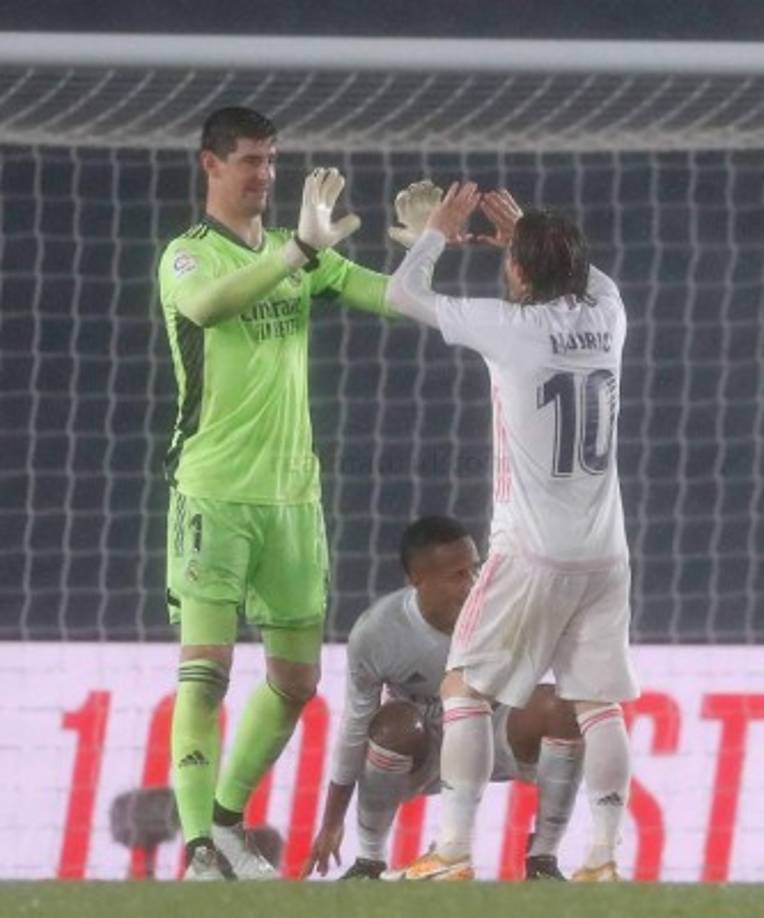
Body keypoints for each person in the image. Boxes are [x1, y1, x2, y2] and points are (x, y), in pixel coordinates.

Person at [157, 106, 395, 880]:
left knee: (296, 682)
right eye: (250, 161)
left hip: (294, 499)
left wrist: (432, 254)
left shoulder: (306, 255)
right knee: (206, 670)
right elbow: (207, 310)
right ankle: (196, 848)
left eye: (271, 160)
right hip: (214, 491)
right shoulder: (189, 257)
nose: (264, 174)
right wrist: (297, 249)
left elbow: (380, 293)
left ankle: (227, 824)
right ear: (211, 165)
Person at [383, 183, 639, 882]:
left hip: (529, 548)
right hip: (606, 553)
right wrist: (530, 233)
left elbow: (402, 294)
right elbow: (592, 278)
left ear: (520, 272)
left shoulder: (511, 325)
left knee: (463, 688)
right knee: (597, 702)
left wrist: (436, 232)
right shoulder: (609, 315)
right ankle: (604, 858)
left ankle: (454, 850)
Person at [302, 516, 584, 882]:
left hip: (491, 733)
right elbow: (355, 730)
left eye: (474, 569)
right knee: (392, 725)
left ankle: (543, 860)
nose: (472, 585)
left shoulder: (502, 609)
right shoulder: (377, 632)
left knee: (561, 707)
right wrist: (331, 822)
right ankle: (369, 862)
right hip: (424, 746)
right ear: (418, 580)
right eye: (457, 576)